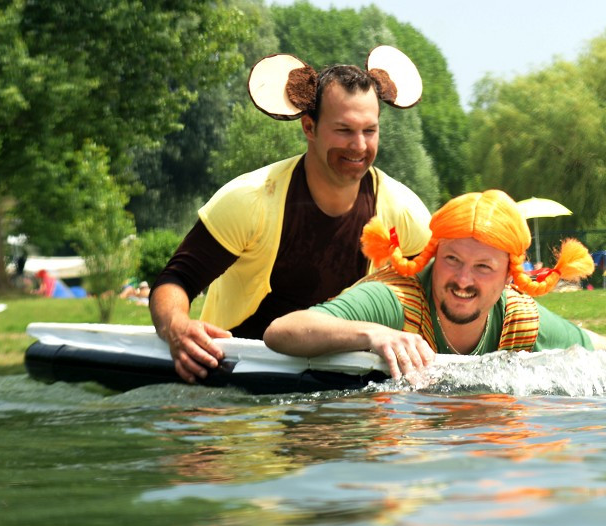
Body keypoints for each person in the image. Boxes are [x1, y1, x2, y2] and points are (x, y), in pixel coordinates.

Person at [150, 47, 432, 383]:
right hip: (235, 385)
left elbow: (438, 294)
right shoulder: (250, 200)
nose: (359, 145)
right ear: (309, 128)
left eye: (369, 131)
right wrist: (177, 328)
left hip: (348, 390)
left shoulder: (404, 211)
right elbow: (175, 282)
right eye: (344, 130)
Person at [264, 190, 606, 380]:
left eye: (483, 267)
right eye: (452, 260)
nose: (463, 280)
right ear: (435, 254)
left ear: (509, 278)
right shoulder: (395, 300)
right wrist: (374, 335)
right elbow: (282, 331)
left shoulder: (520, 318)